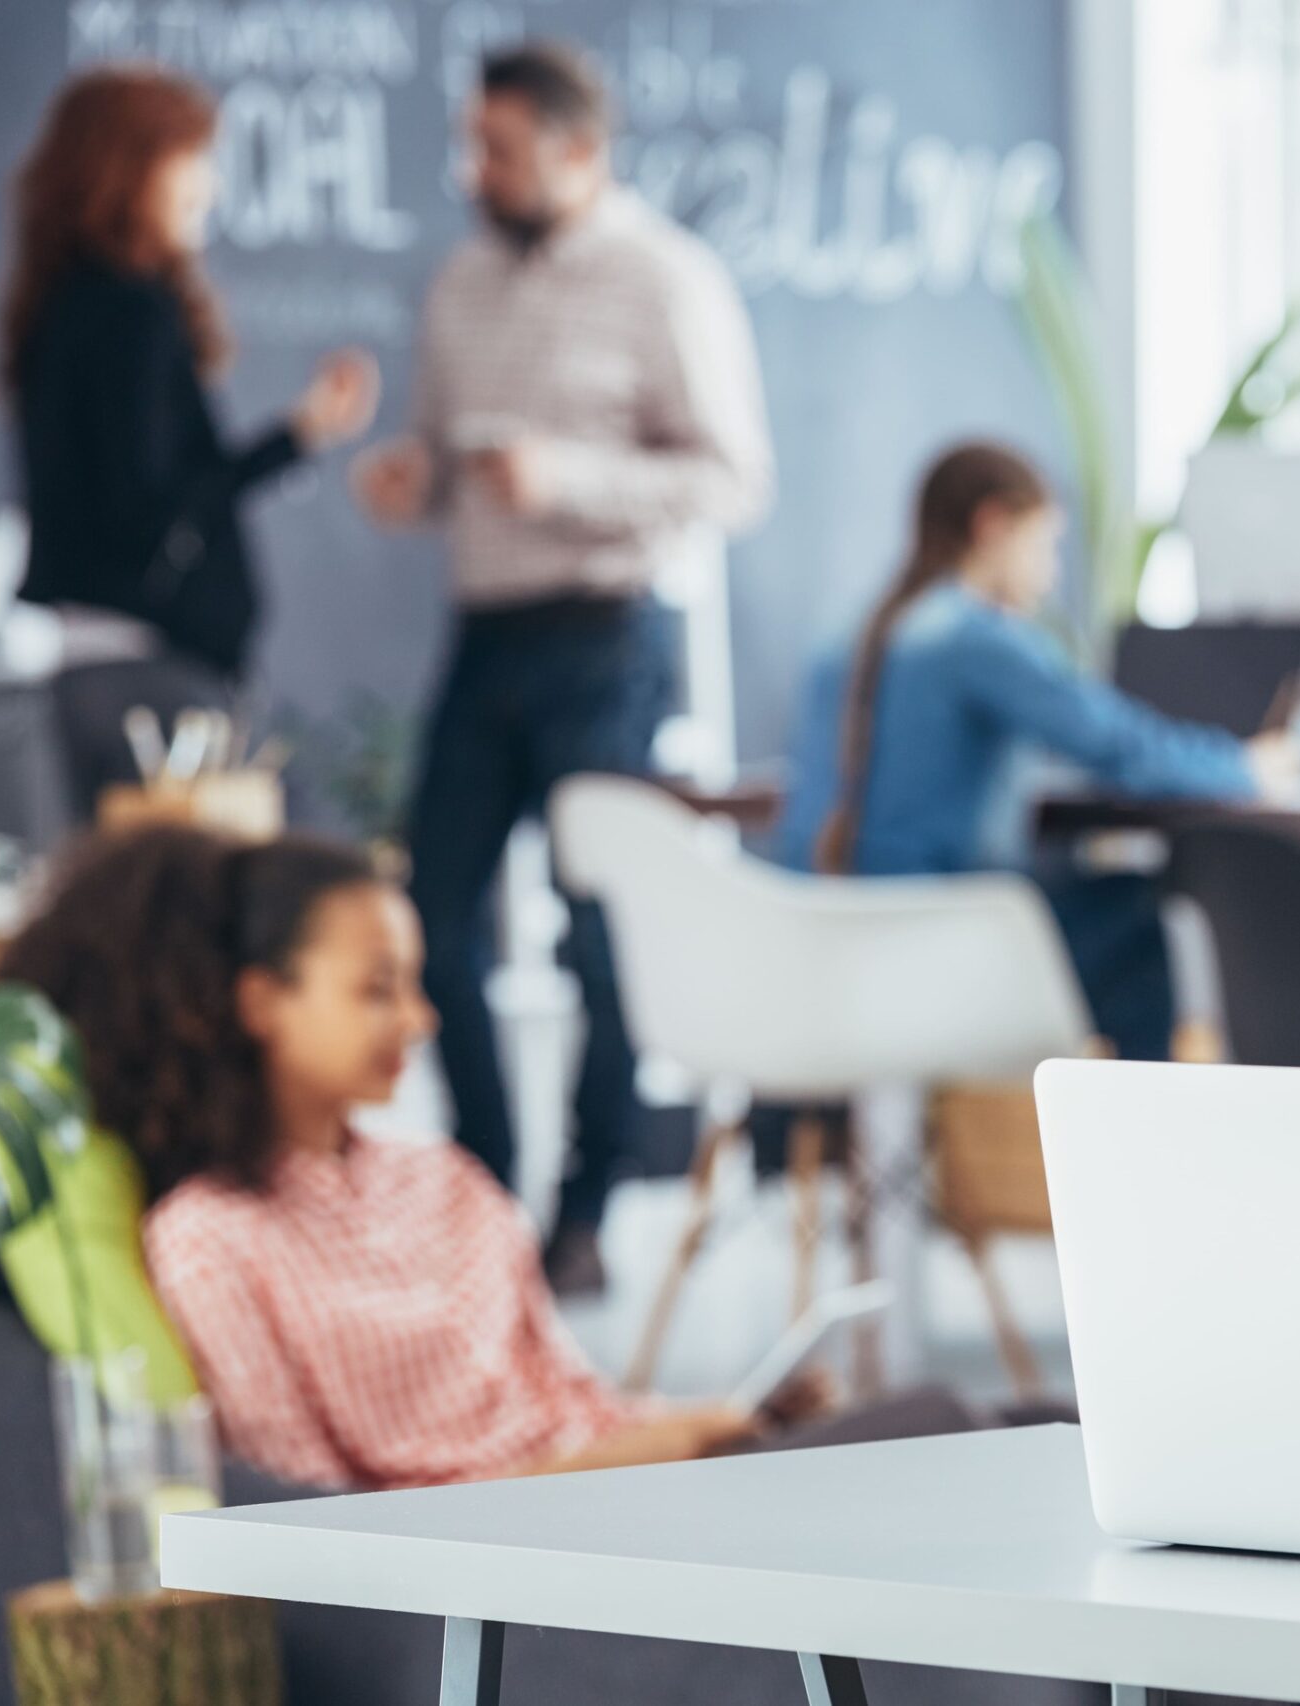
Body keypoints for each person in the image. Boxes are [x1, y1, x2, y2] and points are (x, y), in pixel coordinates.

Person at [351, 41, 773, 1294]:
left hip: (609, 633)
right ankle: (486, 1194)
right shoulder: (460, 282)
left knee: (599, 936)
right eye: (473, 144)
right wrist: (410, 479)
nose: (476, 168)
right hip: (486, 632)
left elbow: (734, 479)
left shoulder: (667, 280)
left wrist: (570, 479)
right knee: (429, 913)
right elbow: (434, 447)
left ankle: (583, 1212)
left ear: (578, 150)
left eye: (500, 147)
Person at [0, 829, 768, 1490]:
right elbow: (312, 1518)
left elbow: (576, 1401)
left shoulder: (447, 1180)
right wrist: (620, 1465)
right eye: (377, 990)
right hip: (506, 1581)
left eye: (415, 985)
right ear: (261, 1001)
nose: (418, 1019)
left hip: (632, 1499)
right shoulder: (211, 1241)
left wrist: (697, 1431)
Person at [776, 442, 1295, 1062]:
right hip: (941, 946)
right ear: (993, 525)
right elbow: (1121, 748)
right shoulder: (976, 640)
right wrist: (1246, 767)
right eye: (1045, 545)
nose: (1050, 575)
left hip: (824, 949)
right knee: (1135, 913)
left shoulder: (846, 636)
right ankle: (1138, 1147)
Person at [1, 66, 378, 817]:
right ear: (131, 167)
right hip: (153, 674)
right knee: (206, 917)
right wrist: (295, 437)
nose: (208, 186)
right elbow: (153, 502)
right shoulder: (131, 312)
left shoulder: (58, 310)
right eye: (193, 159)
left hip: (84, 665)